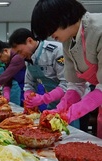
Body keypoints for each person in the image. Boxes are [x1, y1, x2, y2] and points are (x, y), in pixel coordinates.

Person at [31, 0, 102, 138]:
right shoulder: (68, 40)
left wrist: (72, 113)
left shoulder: (98, 30)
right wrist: (59, 110)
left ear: (62, 17)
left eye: (50, 29)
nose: (50, 36)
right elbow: (75, 85)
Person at [8, 28, 67, 110]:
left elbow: (66, 84)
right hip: (53, 103)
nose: (21, 56)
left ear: (30, 41)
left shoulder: (56, 51)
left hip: (71, 103)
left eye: (20, 51)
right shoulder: (29, 59)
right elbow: (29, 83)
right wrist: (28, 96)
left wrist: (44, 99)